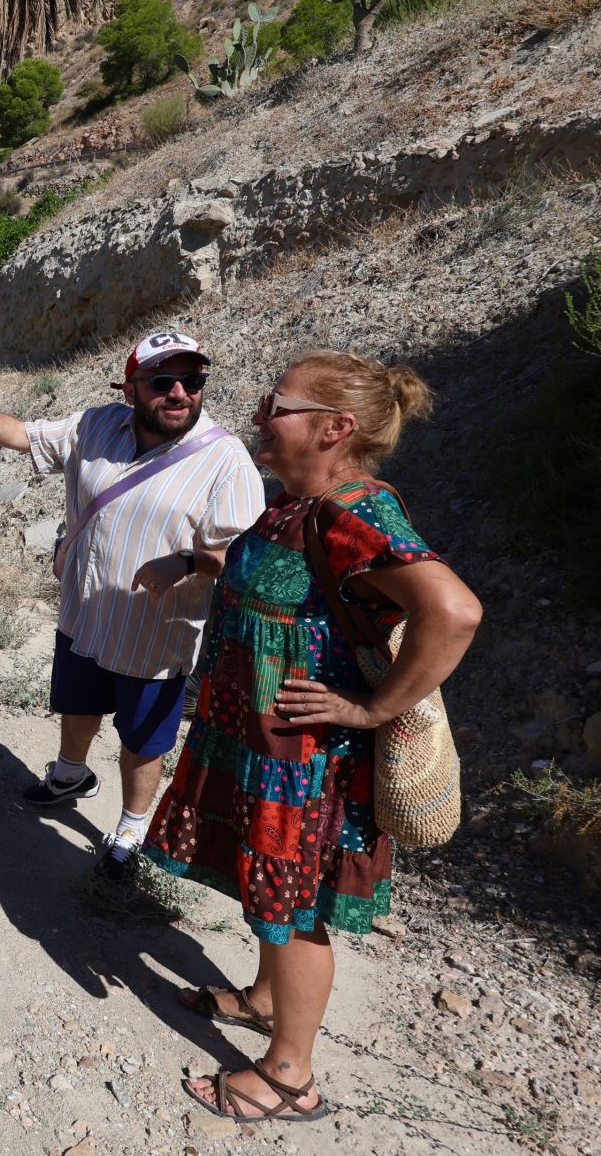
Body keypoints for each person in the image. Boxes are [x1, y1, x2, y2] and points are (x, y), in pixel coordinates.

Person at [145, 352, 481, 1124]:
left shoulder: (355, 513)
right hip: (264, 748)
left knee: (296, 907)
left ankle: (290, 1076)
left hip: (305, 762)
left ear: (336, 428)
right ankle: (266, 999)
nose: (260, 415)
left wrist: (371, 708)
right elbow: (271, 575)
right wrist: (194, 560)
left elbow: (455, 611)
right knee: (270, 889)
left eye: (278, 405)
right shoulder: (297, 504)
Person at [0, 331, 264, 877]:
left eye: (192, 380)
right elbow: (21, 435)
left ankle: (131, 827)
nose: (180, 393)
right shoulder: (96, 424)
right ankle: (70, 774)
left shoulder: (225, 460)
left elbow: (246, 558)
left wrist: (185, 562)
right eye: (163, 381)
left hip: (153, 635)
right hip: (85, 614)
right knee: (78, 703)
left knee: (143, 738)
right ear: (130, 390)